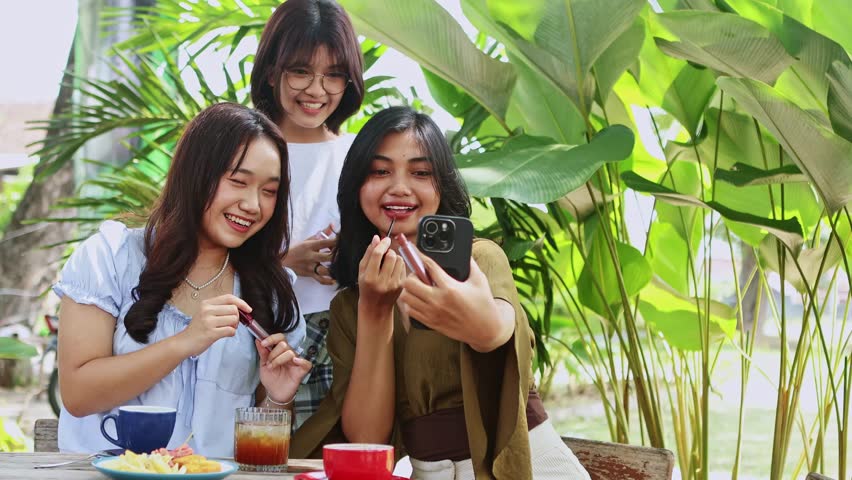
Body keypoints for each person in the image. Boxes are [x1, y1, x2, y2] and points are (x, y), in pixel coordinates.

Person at [312, 106, 591, 479]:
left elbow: (498, 327)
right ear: (356, 187)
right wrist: (375, 312)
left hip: (525, 465)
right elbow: (368, 438)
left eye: (421, 173)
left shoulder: (479, 260)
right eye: (380, 171)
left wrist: (481, 324)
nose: (399, 186)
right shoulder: (350, 305)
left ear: (441, 186)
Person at [53, 103, 311, 456]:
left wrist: (278, 400)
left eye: (269, 191)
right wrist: (183, 343)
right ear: (195, 174)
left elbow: (259, 459)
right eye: (238, 181)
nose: (253, 204)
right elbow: (78, 395)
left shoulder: (272, 292)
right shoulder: (110, 258)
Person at [250, 0, 365, 441]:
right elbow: (203, 257)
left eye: (334, 74)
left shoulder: (358, 155)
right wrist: (283, 262)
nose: (317, 89)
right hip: (253, 338)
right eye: (301, 71)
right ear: (272, 72)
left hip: (341, 342)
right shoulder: (241, 148)